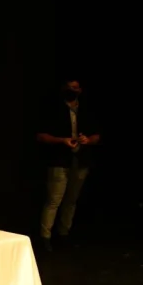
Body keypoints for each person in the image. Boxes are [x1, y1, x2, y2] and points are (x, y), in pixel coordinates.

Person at [35, 77, 100, 250]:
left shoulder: (86, 110)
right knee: (54, 200)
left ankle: (64, 234)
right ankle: (45, 237)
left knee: (71, 200)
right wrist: (62, 140)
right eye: (69, 87)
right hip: (59, 161)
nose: (72, 90)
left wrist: (88, 140)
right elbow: (41, 136)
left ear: (80, 90)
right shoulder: (53, 109)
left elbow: (97, 135)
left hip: (80, 161)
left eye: (75, 87)